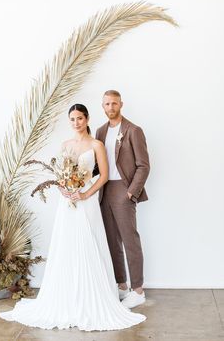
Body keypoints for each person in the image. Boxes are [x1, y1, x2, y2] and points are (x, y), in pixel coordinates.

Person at [0, 104, 146, 331]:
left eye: (80, 118)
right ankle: (66, 295)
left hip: (86, 201)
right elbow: (60, 174)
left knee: (90, 243)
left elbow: (104, 175)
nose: (76, 122)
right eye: (72, 119)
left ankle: (100, 293)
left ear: (87, 119)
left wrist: (85, 193)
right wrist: (63, 188)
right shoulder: (65, 145)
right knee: (66, 245)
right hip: (67, 202)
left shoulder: (96, 144)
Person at [95, 90, 150, 309]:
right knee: (111, 241)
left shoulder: (133, 130)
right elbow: (97, 165)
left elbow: (143, 165)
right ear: (103, 106)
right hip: (104, 189)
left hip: (123, 189)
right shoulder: (100, 131)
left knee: (130, 240)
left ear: (121, 104)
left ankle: (138, 290)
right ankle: (121, 286)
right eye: (107, 104)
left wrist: (131, 192)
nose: (111, 107)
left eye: (114, 103)